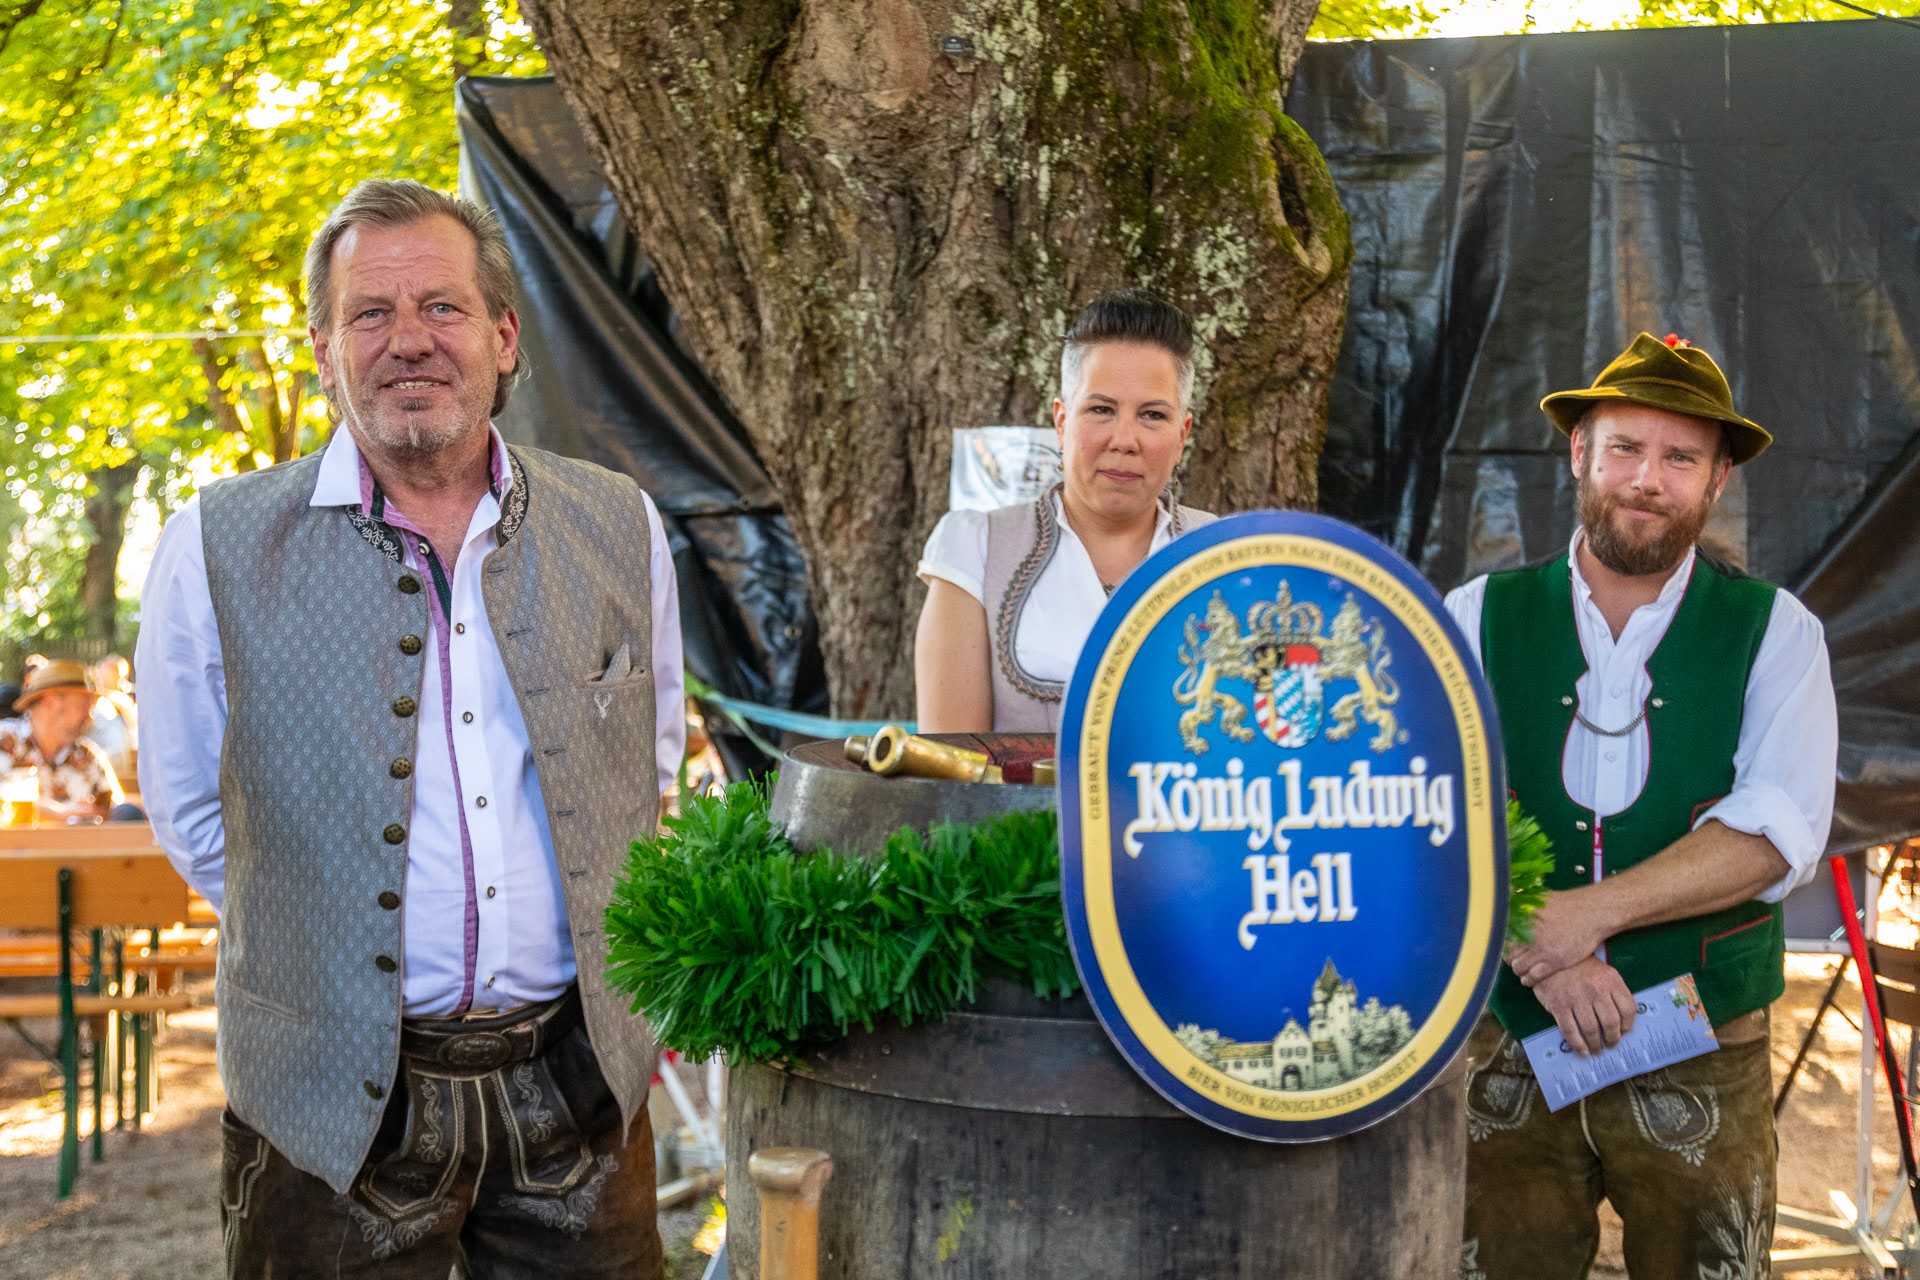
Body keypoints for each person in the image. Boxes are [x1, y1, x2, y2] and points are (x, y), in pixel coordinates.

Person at [136, 179, 683, 1278]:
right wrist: (321, 974)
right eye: (369, 314)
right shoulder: (216, 543)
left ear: (503, 336)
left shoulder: (618, 521)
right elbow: (194, 809)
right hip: (334, 1111)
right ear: (324, 349)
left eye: (441, 306)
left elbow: (649, 757)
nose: (409, 342)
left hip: (578, 1090)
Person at [1445, 333, 1837, 1279]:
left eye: (1679, 458)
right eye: (1624, 448)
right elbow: (1439, 817)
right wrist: (1542, 947)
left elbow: (1775, 834)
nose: (1646, 480)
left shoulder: (1776, 633)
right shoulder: (1475, 614)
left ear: (1718, 479)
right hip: (1509, 1031)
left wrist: (1590, 915)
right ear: (1579, 453)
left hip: (1701, 1042)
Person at [915, 290, 1216, 731]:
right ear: (1062, 422)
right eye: (1101, 409)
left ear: (1181, 435)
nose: (1124, 439)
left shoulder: (1223, 553)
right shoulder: (977, 549)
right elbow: (951, 773)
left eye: (1152, 415)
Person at [0, 658, 124, 819]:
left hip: (78, 844)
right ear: (51, 702)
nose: (89, 716)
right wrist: (56, 813)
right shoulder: (5, 740)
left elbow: (116, 806)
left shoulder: (88, 754)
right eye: (82, 707)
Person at [86, 653, 138, 780]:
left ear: (120, 677)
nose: (101, 680)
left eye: (107, 675)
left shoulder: (125, 700)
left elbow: (135, 730)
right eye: (100, 675)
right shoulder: (97, 701)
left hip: (117, 761)